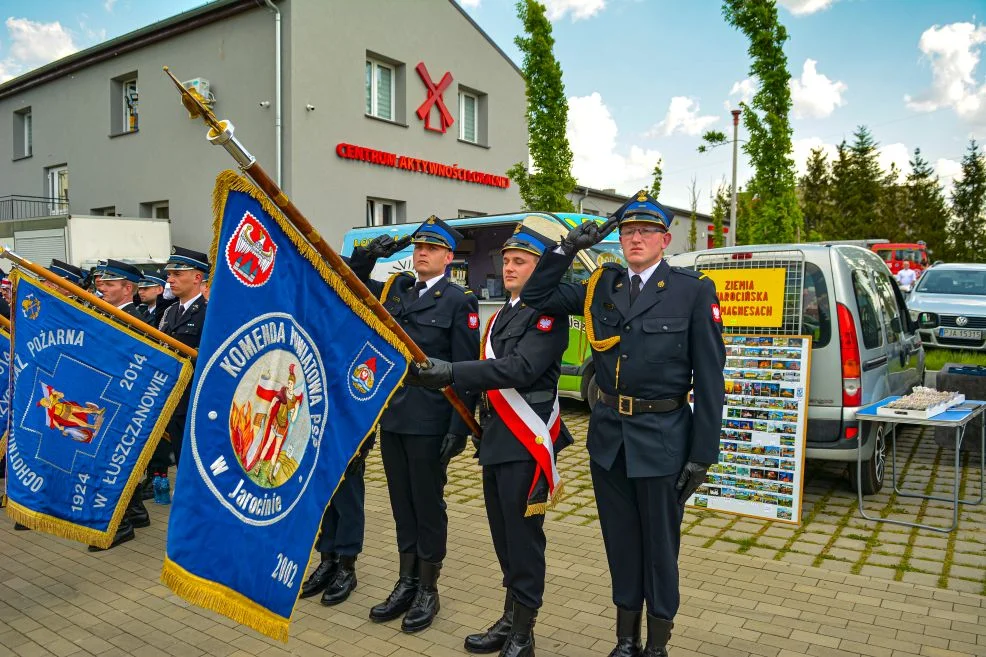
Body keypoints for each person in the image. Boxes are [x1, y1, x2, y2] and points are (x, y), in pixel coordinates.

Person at [520, 191, 726, 657]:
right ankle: (625, 639)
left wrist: (703, 455)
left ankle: (657, 645)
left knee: (659, 548)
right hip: (610, 438)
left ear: (664, 240)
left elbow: (712, 379)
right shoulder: (601, 285)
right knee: (620, 542)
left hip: (663, 439)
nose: (635, 238)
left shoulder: (693, 291)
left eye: (646, 232)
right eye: (628, 231)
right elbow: (535, 296)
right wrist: (566, 248)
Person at [411, 226, 571, 657]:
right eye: (506, 260)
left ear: (541, 269)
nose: (509, 267)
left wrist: (453, 371)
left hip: (526, 442)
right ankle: (508, 619)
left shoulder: (547, 316)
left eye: (520, 261)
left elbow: (520, 369)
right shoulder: (501, 313)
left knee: (523, 540)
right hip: (498, 439)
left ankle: (524, 633)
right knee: (504, 538)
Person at [348, 216, 479, 633]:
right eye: (418, 247)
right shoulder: (398, 292)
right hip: (395, 415)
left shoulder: (459, 301)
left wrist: (459, 429)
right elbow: (353, 293)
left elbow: (465, 367)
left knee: (427, 504)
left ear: (447, 256)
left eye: (431, 248)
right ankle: (405, 581)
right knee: (401, 503)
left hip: (431, 420)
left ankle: (428, 588)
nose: (421, 253)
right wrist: (364, 258)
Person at [88, 259, 152, 551]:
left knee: (114, 462)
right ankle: (135, 512)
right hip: (106, 397)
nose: (103, 288)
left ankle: (120, 525)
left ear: (128, 288)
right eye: (102, 283)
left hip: (123, 402)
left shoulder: (137, 320)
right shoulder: (108, 314)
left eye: (110, 284)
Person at [299, 436, 375, 607]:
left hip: (348, 436)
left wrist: (365, 442)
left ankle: (347, 569)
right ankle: (328, 561)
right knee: (325, 503)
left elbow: (367, 408)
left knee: (348, 504)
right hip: (321, 437)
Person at [159, 247, 209, 469]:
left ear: (197, 277)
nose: (170, 280)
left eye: (177, 274)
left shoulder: (209, 312)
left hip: (197, 400)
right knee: (181, 462)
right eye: (169, 275)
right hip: (174, 399)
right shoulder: (170, 312)